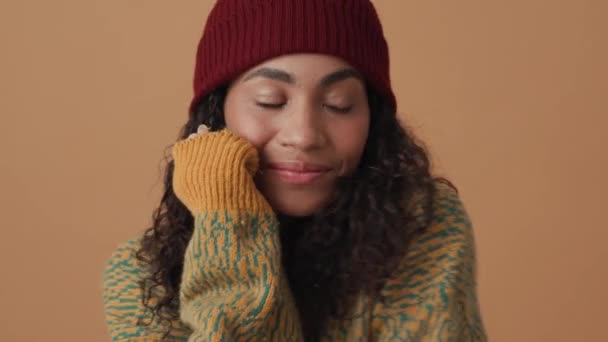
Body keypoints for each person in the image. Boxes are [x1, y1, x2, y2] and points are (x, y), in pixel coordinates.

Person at [102, 0, 487, 341]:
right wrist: (230, 220)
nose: (304, 135)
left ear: (374, 120)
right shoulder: (140, 278)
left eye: (339, 104)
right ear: (217, 113)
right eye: (270, 101)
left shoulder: (420, 225)